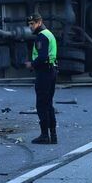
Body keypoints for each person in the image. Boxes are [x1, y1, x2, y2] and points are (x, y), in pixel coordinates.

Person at [24, 13, 57, 144]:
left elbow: (43, 57)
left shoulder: (41, 37)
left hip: (45, 73)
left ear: (39, 22)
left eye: (32, 24)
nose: (30, 27)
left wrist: (31, 64)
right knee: (48, 104)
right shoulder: (49, 34)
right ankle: (53, 135)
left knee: (41, 105)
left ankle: (44, 135)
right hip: (52, 70)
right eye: (29, 24)